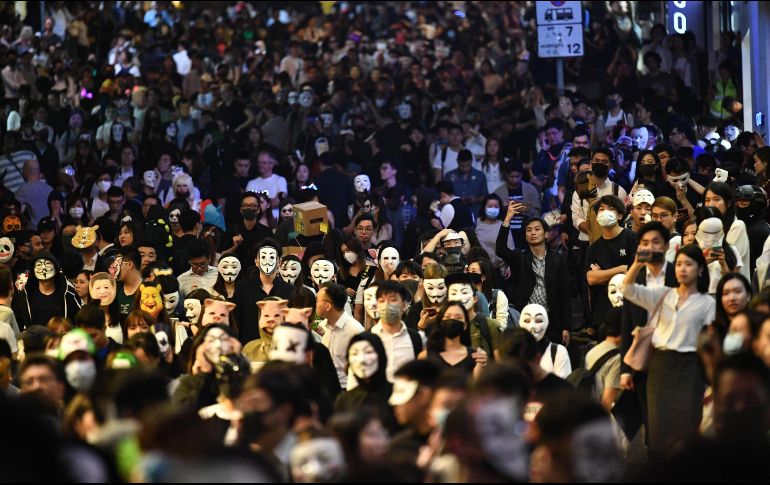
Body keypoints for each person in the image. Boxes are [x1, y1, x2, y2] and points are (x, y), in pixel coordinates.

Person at [623, 244, 715, 458]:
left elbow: (711, 340)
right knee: (658, 430)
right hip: (660, 366)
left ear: (700, 269)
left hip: (691, 367)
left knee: (687, 429)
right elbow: (627, 290)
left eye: (689, 264)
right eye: (679, 264)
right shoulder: (663, 294)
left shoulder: (707, 302)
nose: (682, 269)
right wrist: (637, 263)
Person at [619, 222, 677, 404]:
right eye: (645, 243)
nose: (650, 247)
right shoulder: (634, 279)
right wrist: (625, 370)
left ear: (666, 246)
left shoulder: (680, 273)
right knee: (650, 419)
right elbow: (627, 325)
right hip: (643, 360)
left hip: (675, 358)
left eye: (656, 242)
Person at [497, 213, 571, 345]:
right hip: (524, 318)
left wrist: (566, 327)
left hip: (551, 318)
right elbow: (501, 250)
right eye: (529, 230)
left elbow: (565, 293)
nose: (533, 233)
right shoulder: (520, 257)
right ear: (525, 235)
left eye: (537, 229)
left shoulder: (558, 258)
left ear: (546, 234)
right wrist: (507, 219)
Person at [585, 195, 637, 333]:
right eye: (601, 209)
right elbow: (591, 278)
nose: (605, 212)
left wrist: (603, 275)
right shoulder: (593, 248)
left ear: (620, 215)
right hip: (603, 310)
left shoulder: (632, 239)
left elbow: (633, 272)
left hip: (630, 303)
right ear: (596, 217)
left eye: (611, 209)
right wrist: (621, 269)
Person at [387, 359, 443, 482]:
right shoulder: (398, 449)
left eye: (401, 392)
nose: (394, 402)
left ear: (424, 395)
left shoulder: (456, 443)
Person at [233, 238, 293, 344]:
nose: (267, 261)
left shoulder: (290, 291)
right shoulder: (242, 287)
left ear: (279, 262)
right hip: (249, 350)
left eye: (271, 257)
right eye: (263, 257)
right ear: (256, 261)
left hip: (280, 349)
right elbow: (236, 322)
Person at [13, 250, 82, 331]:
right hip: (35, 341)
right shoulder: (25, 296)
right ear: (33, 270)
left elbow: (80, 320)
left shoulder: (69, 293)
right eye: (38, 265)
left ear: (55, 267)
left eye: (48, 264)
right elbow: (17, 324)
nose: (43, 268)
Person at [317, 282, 365, 390]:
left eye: (317, 301)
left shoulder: (355, 330)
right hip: (324, 388)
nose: (315, 304)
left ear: (328, 306)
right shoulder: (321, 326)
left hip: (346, 389)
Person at [704, 182, 750, 280]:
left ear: (728, 203)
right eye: (707, 200)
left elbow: (728, 262)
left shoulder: (737, 226)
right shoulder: (705, 226)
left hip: (734, 287)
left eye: (716, 199)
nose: (711, 204)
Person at [220, 192, 273, 270]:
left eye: (252, 205)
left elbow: (273, 257)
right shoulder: (231, 231)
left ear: (258, 209)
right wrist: (233, 248)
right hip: (236, 275)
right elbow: (220, 256)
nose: (249, 208)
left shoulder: (266, 232)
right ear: (241, 210)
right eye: (245, 205)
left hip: (259, 275)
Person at [494, 160, 540, 247]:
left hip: (526, 232)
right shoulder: (499, 192)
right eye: (512, 176)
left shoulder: (531, 190)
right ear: (506, 175)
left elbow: (537, 213)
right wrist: (503, 208)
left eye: (517, 176)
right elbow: (494, 215)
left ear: (522, 174)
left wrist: (522, 208)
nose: (515, 179)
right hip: (506, 232)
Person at [444, 149, 488, 217]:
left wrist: (475, 199)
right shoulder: (449, 176)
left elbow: (485, 197)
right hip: (454, 214)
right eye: (462, 166)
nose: (465, 168)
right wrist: (457, 199)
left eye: (467, 166)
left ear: (471, 162)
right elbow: (443, 196)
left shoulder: (480, 176)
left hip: (475, 214)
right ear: (457, 161)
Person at [246, 150, 288, 220]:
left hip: (276, 221)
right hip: (256, 221)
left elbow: (280, 200)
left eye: (264, 163)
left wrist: (258, 203)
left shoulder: (280, 180)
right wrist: (270, 201)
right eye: (259, 163)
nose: (261, 165)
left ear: (271, 164)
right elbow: (248, 203)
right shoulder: (251, 183)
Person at [15, 159, 53, 229]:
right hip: (50, 230)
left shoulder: (23, 190)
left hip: (34, 231)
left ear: (25, 171)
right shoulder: (50, 189)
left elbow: (14, 213)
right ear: (38, 171)